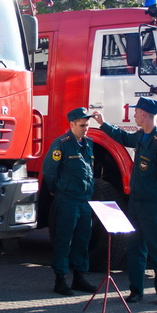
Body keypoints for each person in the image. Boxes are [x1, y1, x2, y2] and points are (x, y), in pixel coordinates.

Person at [93, 97, 157, 306]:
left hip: (152, 205)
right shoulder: (141, 136)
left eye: (137, 112)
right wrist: (103, 124)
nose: (134, 115)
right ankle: (136, 290)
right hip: (136, 203)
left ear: (145, 115)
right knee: (134, 247)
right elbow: (123, 137)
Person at [42, 107, 97, 296]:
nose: (85, 129)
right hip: (67, 200)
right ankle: (60, 279)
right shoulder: (61, 144)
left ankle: (79, 278)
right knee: (64, 240)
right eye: (82, 125)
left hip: (84, 200)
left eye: (87, 125)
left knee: (82, 240)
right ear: (72, 124)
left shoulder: (88, 143)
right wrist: (55, 191)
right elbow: (50, 171)